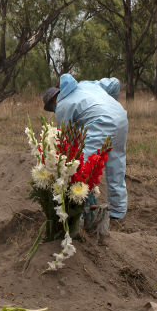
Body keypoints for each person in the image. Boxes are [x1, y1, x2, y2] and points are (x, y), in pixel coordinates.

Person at [43, 74, 129, 223]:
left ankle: (80, 214)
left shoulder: (62, 106)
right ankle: (117, 210)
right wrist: (108, 103)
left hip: (101, 122)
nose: (54, 110)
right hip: (120, 117)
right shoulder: (87, 84)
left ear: (53, 102)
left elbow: (67, 141)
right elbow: (114, 83)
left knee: (83, 170)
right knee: (116, 165)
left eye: (52, 108)